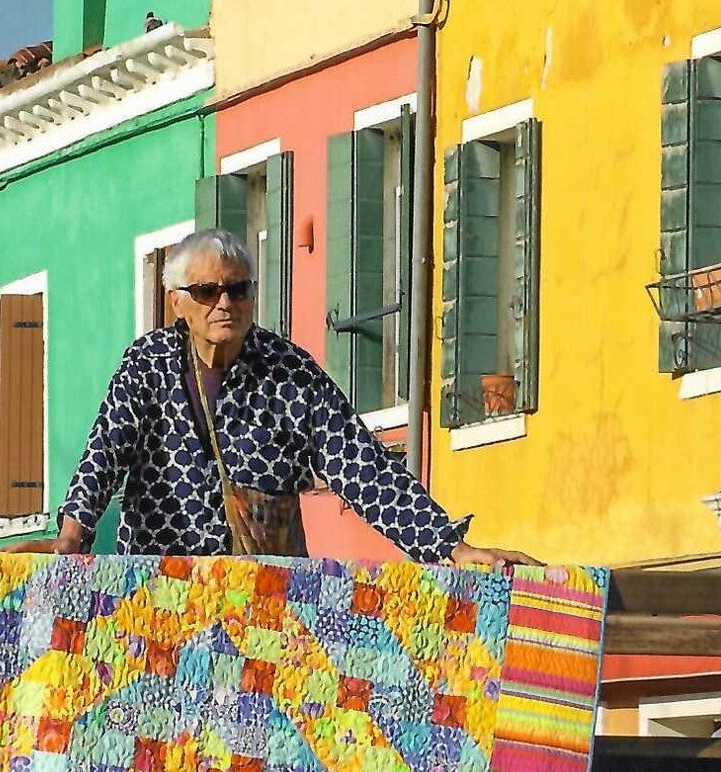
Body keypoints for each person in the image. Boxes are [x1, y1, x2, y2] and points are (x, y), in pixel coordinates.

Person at [52, 229, 529, 567]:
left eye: (237, 289)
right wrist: (71, 538)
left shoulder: (290, 372)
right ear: (176, 300)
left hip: (266, 604)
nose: (225, 303)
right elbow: (104, 455)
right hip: (165, 596)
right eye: (207, 291)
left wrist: (449, 547)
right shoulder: (147, 364)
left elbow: (363, 468)